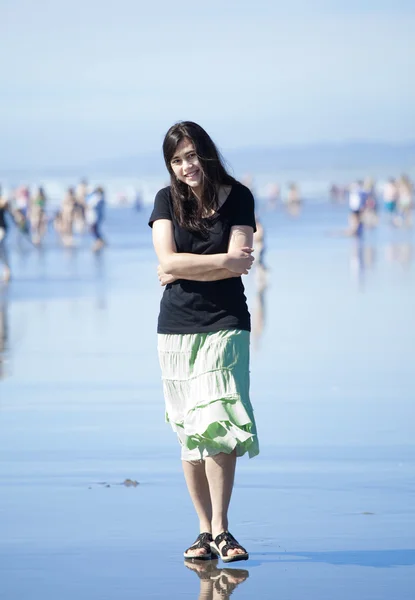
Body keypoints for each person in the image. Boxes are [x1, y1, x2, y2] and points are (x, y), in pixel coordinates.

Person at [149, 121, 259, 564]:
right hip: (176, 326)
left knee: (220, 420)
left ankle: (222, 528)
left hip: (227, 321)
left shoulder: (239, 197)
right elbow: (166, 259)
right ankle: (202, 531)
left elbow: (240, 265)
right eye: (177, 160)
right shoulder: (165, 199)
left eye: (191, 155)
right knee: (190, 431)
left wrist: (182, 266)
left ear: (206, 153)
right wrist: (207, 262)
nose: (186, 166)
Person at [86, 186, 106, 251]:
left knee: (93, 229)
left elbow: (91, 205)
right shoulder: (100, 197)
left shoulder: (97, 198)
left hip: (94, 216)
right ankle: (99, 240)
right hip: (95, 216)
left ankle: (99, 240)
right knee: (94, 229)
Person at [0, 189, 11, 282]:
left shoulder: (3, 200)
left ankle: (7, 270)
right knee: (2, 249)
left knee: (1, 248)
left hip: (1, 229)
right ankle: (7, 269)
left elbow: (6, 205)